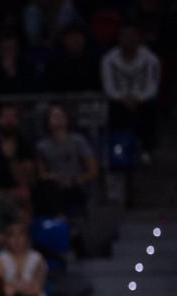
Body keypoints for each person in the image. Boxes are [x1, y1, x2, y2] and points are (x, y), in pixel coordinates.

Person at [101, 24, 161, 163]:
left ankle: (146, 149)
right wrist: (122, 98)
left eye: (133, 36)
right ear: (119, 38)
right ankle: (119, 150)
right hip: (119, 100)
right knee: (115, 111)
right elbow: (108, 86)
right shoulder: (108, 59)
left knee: (149, 108)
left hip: (142, 100)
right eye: (125, 36)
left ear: (139, 38)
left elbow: (152, 86)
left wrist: (138, 98)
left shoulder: (151, 59)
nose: (129, 39)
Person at [34, 106, 97, 218]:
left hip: (76, 185)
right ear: (48, 121)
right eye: (55, 116)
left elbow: (93, 170)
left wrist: (77, 180)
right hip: (54, 187)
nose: (58, 119)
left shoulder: (78, 141)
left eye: (61, 116)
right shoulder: (42, 146)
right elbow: (41, 173)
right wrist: (51, 177)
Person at [0, 223, 47, 296]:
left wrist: (13, 289)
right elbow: (1, 288)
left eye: (20, 235)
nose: (17, 240)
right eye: (12, 236)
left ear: (26, 238)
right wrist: (22, 289)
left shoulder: (38, 258)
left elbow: (36, 289)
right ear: (7, 240)